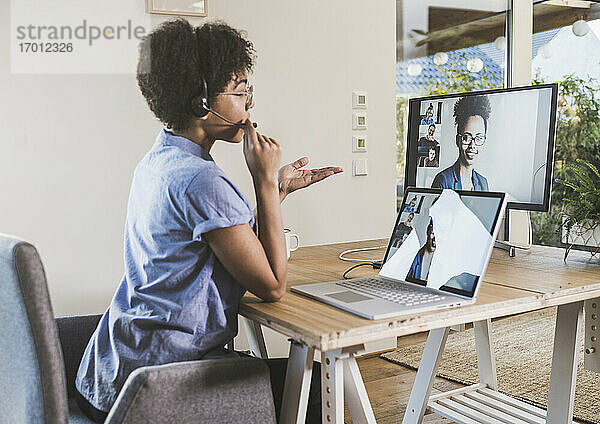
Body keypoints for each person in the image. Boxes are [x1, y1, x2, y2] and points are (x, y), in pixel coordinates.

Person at [74, 19, 342, 423]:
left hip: (109, 377)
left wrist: (278, 189)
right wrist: (265, 184)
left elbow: (220, 241)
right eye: (240, 92)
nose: (250, 103)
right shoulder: (202, 180)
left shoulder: (160, 161)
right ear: (202, 102)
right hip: (156, 390)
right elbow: (272, 284)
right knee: (316, 383)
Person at [431, 95, 490, 191]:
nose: (472, 146)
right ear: (457, 140)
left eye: (479, 138)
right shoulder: (443, 180)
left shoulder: (483, 183)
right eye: (467, 137)